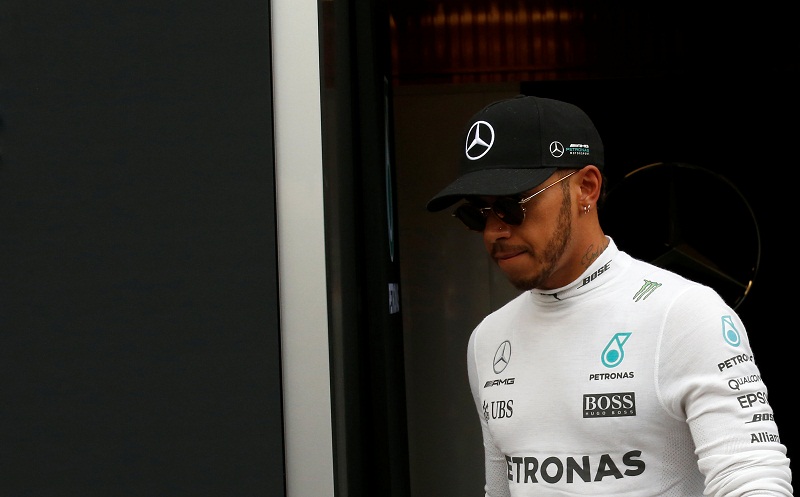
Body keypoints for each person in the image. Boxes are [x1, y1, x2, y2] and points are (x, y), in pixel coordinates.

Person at [425, 94, 793, 496]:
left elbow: (752, 479)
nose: (495, 230)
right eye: (476, 213)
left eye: (513, 206)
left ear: (586, 187)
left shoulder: (684, 313)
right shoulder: (488, 339)